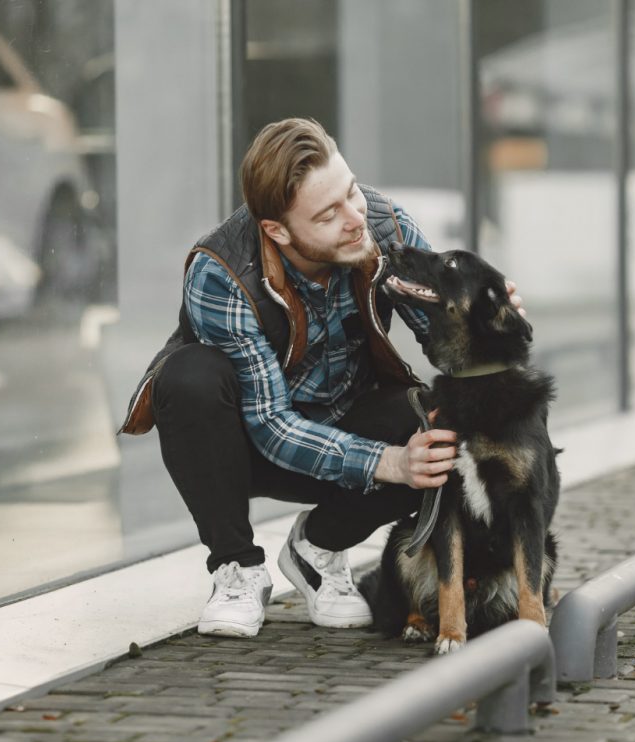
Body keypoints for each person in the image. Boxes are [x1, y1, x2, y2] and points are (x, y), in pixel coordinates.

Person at [120, 117, 520, 638]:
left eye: (351, 192)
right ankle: (237, 569)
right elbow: (270, 425)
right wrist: (389, 463)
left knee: (433, 425)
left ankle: (318, 548)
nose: (355, 218)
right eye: (329, 213)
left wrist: (488, 324)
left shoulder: (383, 225)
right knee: (188, 377)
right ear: (277, 231)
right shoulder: (220, 271)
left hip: (349, 420)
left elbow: (447, 345)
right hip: (246, 444)